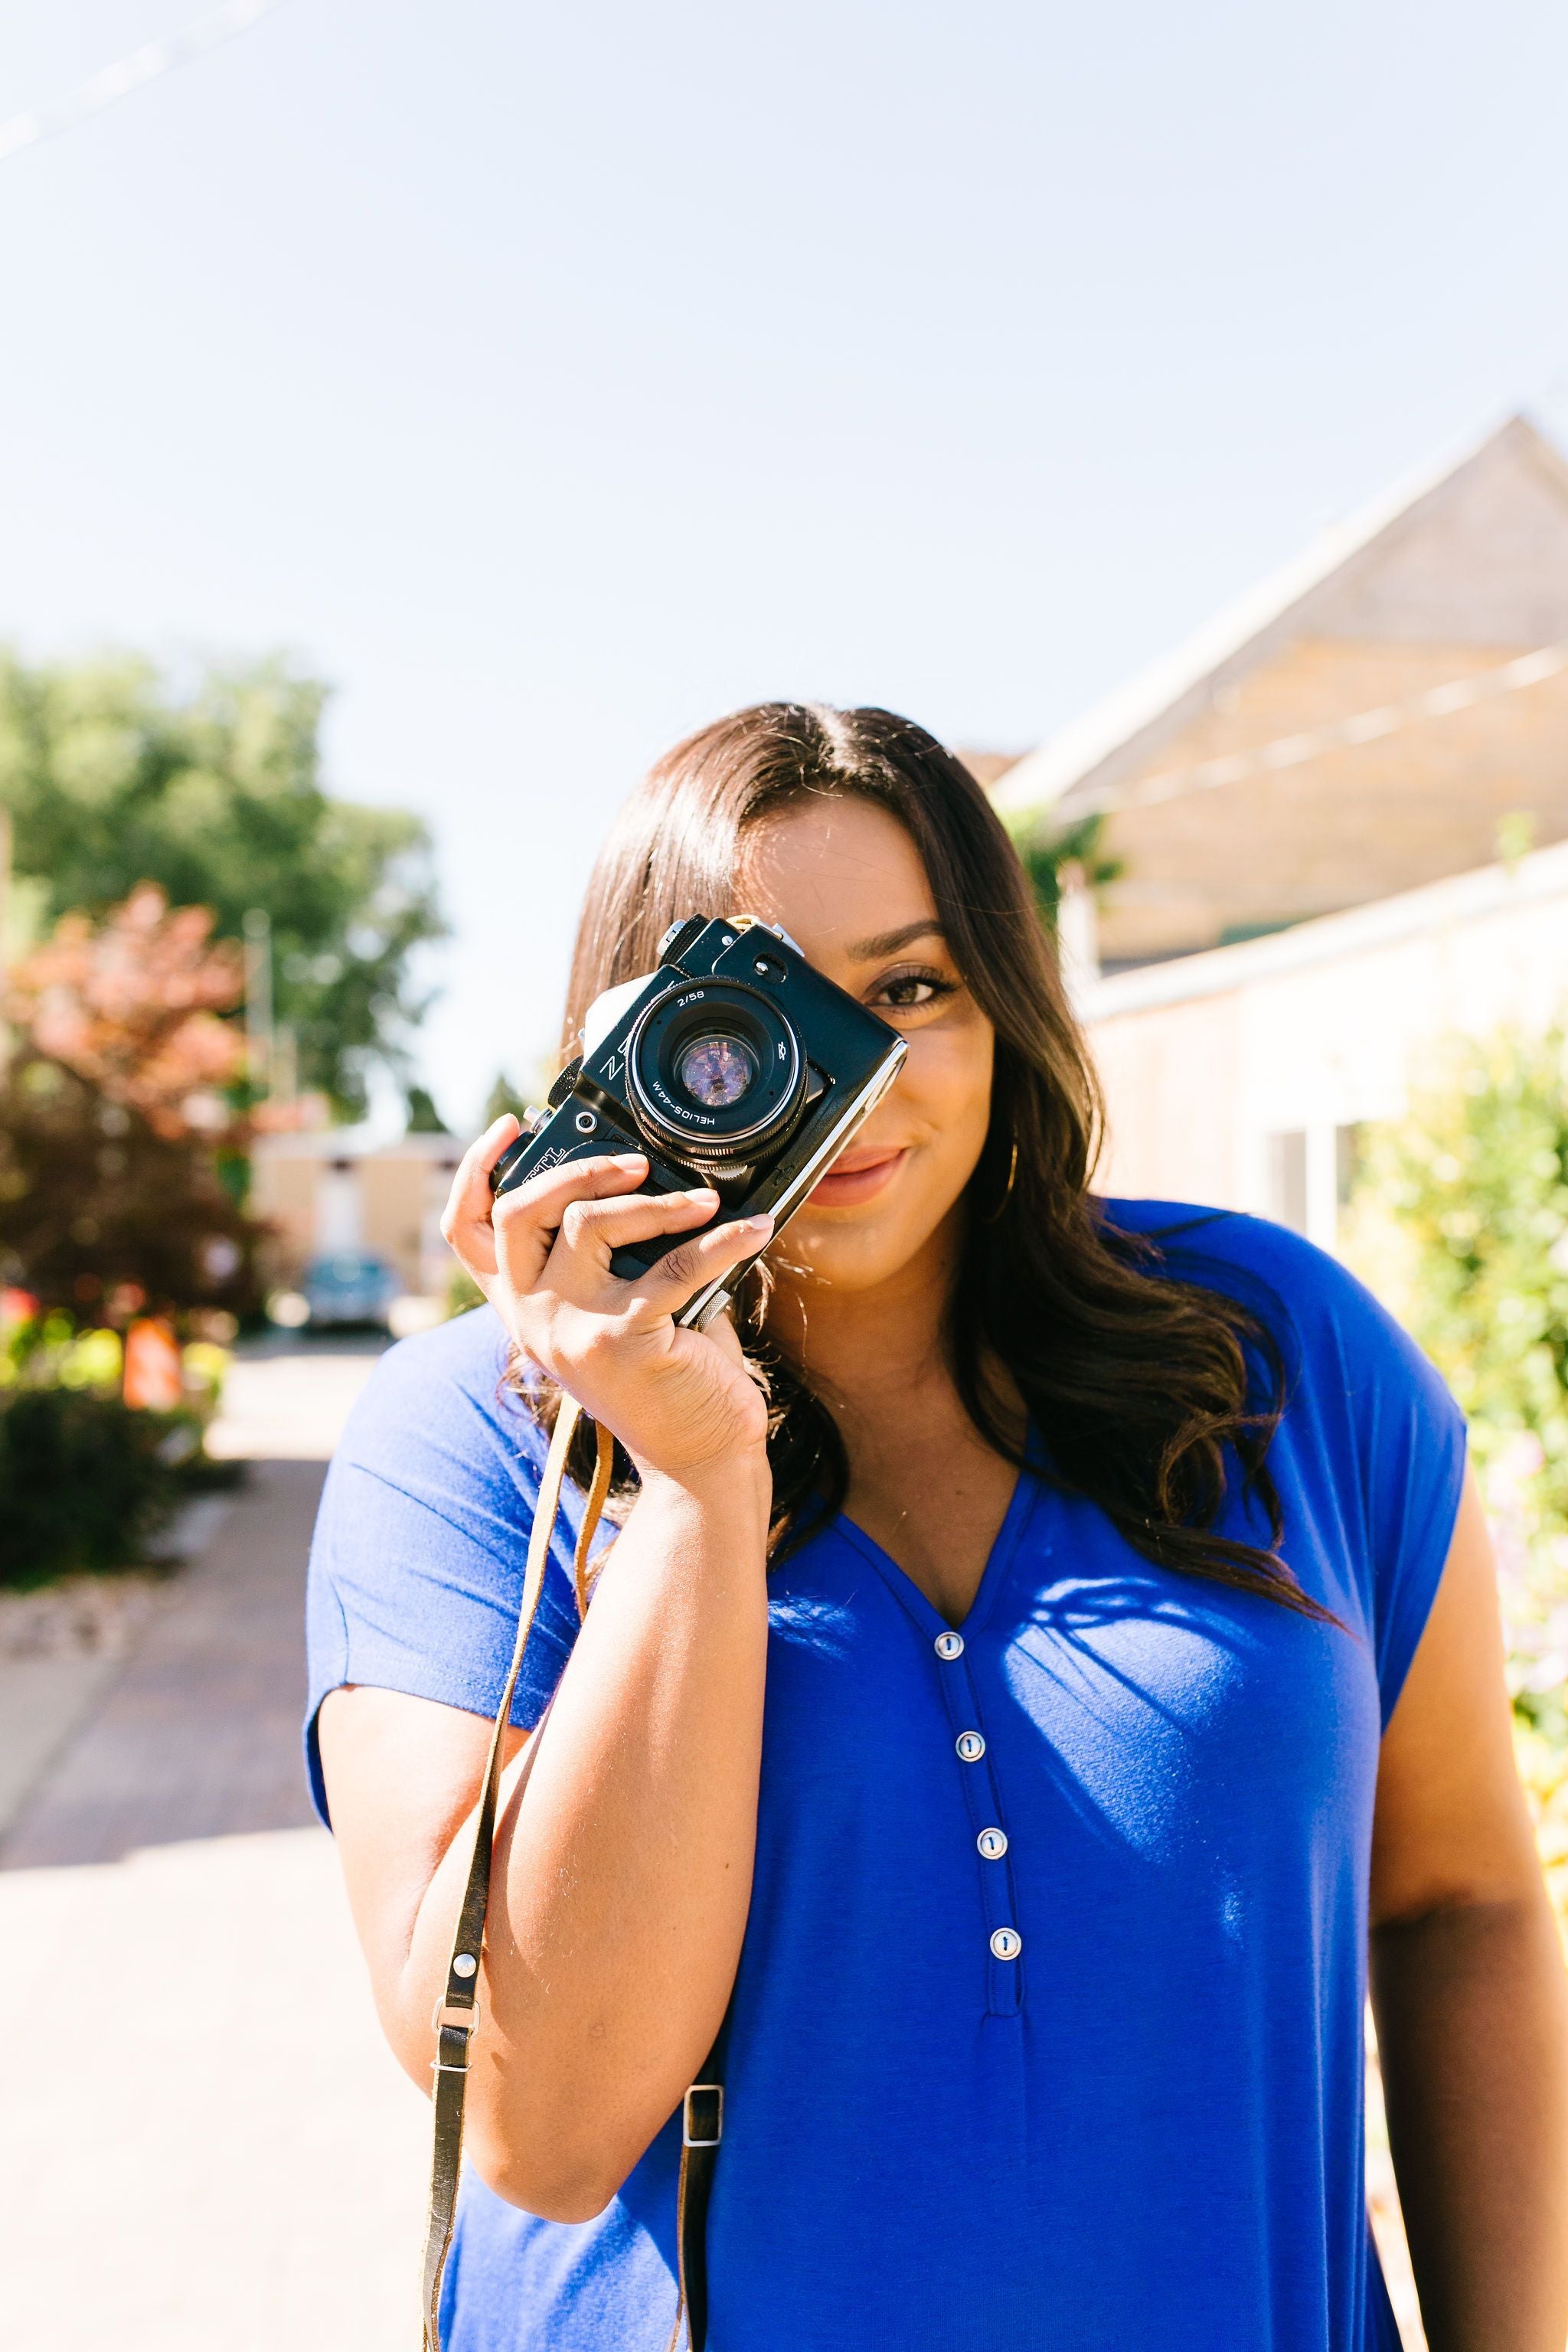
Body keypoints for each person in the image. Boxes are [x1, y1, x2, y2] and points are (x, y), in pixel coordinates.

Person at [307, 704, 1568, 2352]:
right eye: (753, 1020)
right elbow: (542, 2132)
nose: (851, 1084)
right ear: (621, 1036)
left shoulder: (1281, 1355)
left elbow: (1456, 1900)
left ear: (1006, 1007)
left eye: (910, 991)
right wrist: (690, 1476)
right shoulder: (467, 1445)